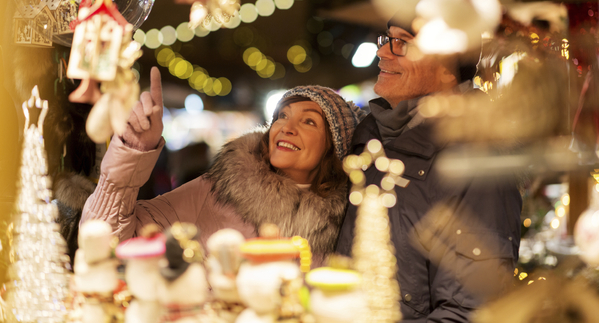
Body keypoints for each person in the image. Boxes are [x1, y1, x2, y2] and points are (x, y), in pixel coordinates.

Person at [335, 22, 522, 322]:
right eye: (387, 39)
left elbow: (470, 311)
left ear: (448, 66)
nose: (382, 52)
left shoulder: (476, 157)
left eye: (402, 42)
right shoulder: (369, 138)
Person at [81, 67, 363, 261]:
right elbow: (105, 239)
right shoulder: (218, 191)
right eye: (282, 116)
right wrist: (133, 150)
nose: (286, 127)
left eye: (308, 121)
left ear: (334, 147)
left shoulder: (346, 222)